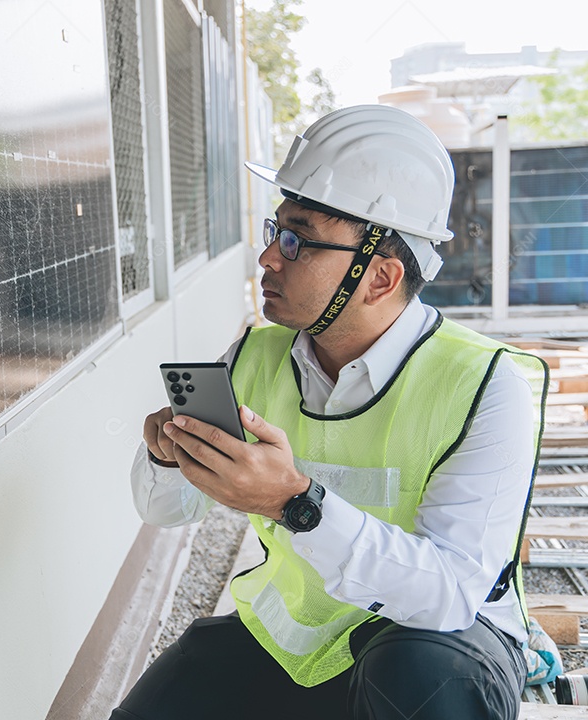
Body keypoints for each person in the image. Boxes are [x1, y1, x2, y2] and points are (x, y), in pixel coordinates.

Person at [111, 105, 548, 720]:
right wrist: (165, 453)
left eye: (297, 241)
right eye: (274, 231)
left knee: (421, 677)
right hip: (304, 636)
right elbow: (164, 509)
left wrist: (293, 502)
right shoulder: (253, 357)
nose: (267, 258)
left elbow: (447, 596)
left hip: (441, 642)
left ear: (380, 277)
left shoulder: (484, 384)